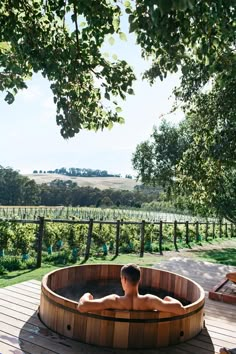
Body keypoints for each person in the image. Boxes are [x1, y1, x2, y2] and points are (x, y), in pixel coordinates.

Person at [77, 263, 186, 315]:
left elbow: (82, 307)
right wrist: (167, 298)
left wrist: (87, 295)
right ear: (139, 280)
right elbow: (181, 310)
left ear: (123, 279)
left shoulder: (114, 301)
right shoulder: (150, 301)